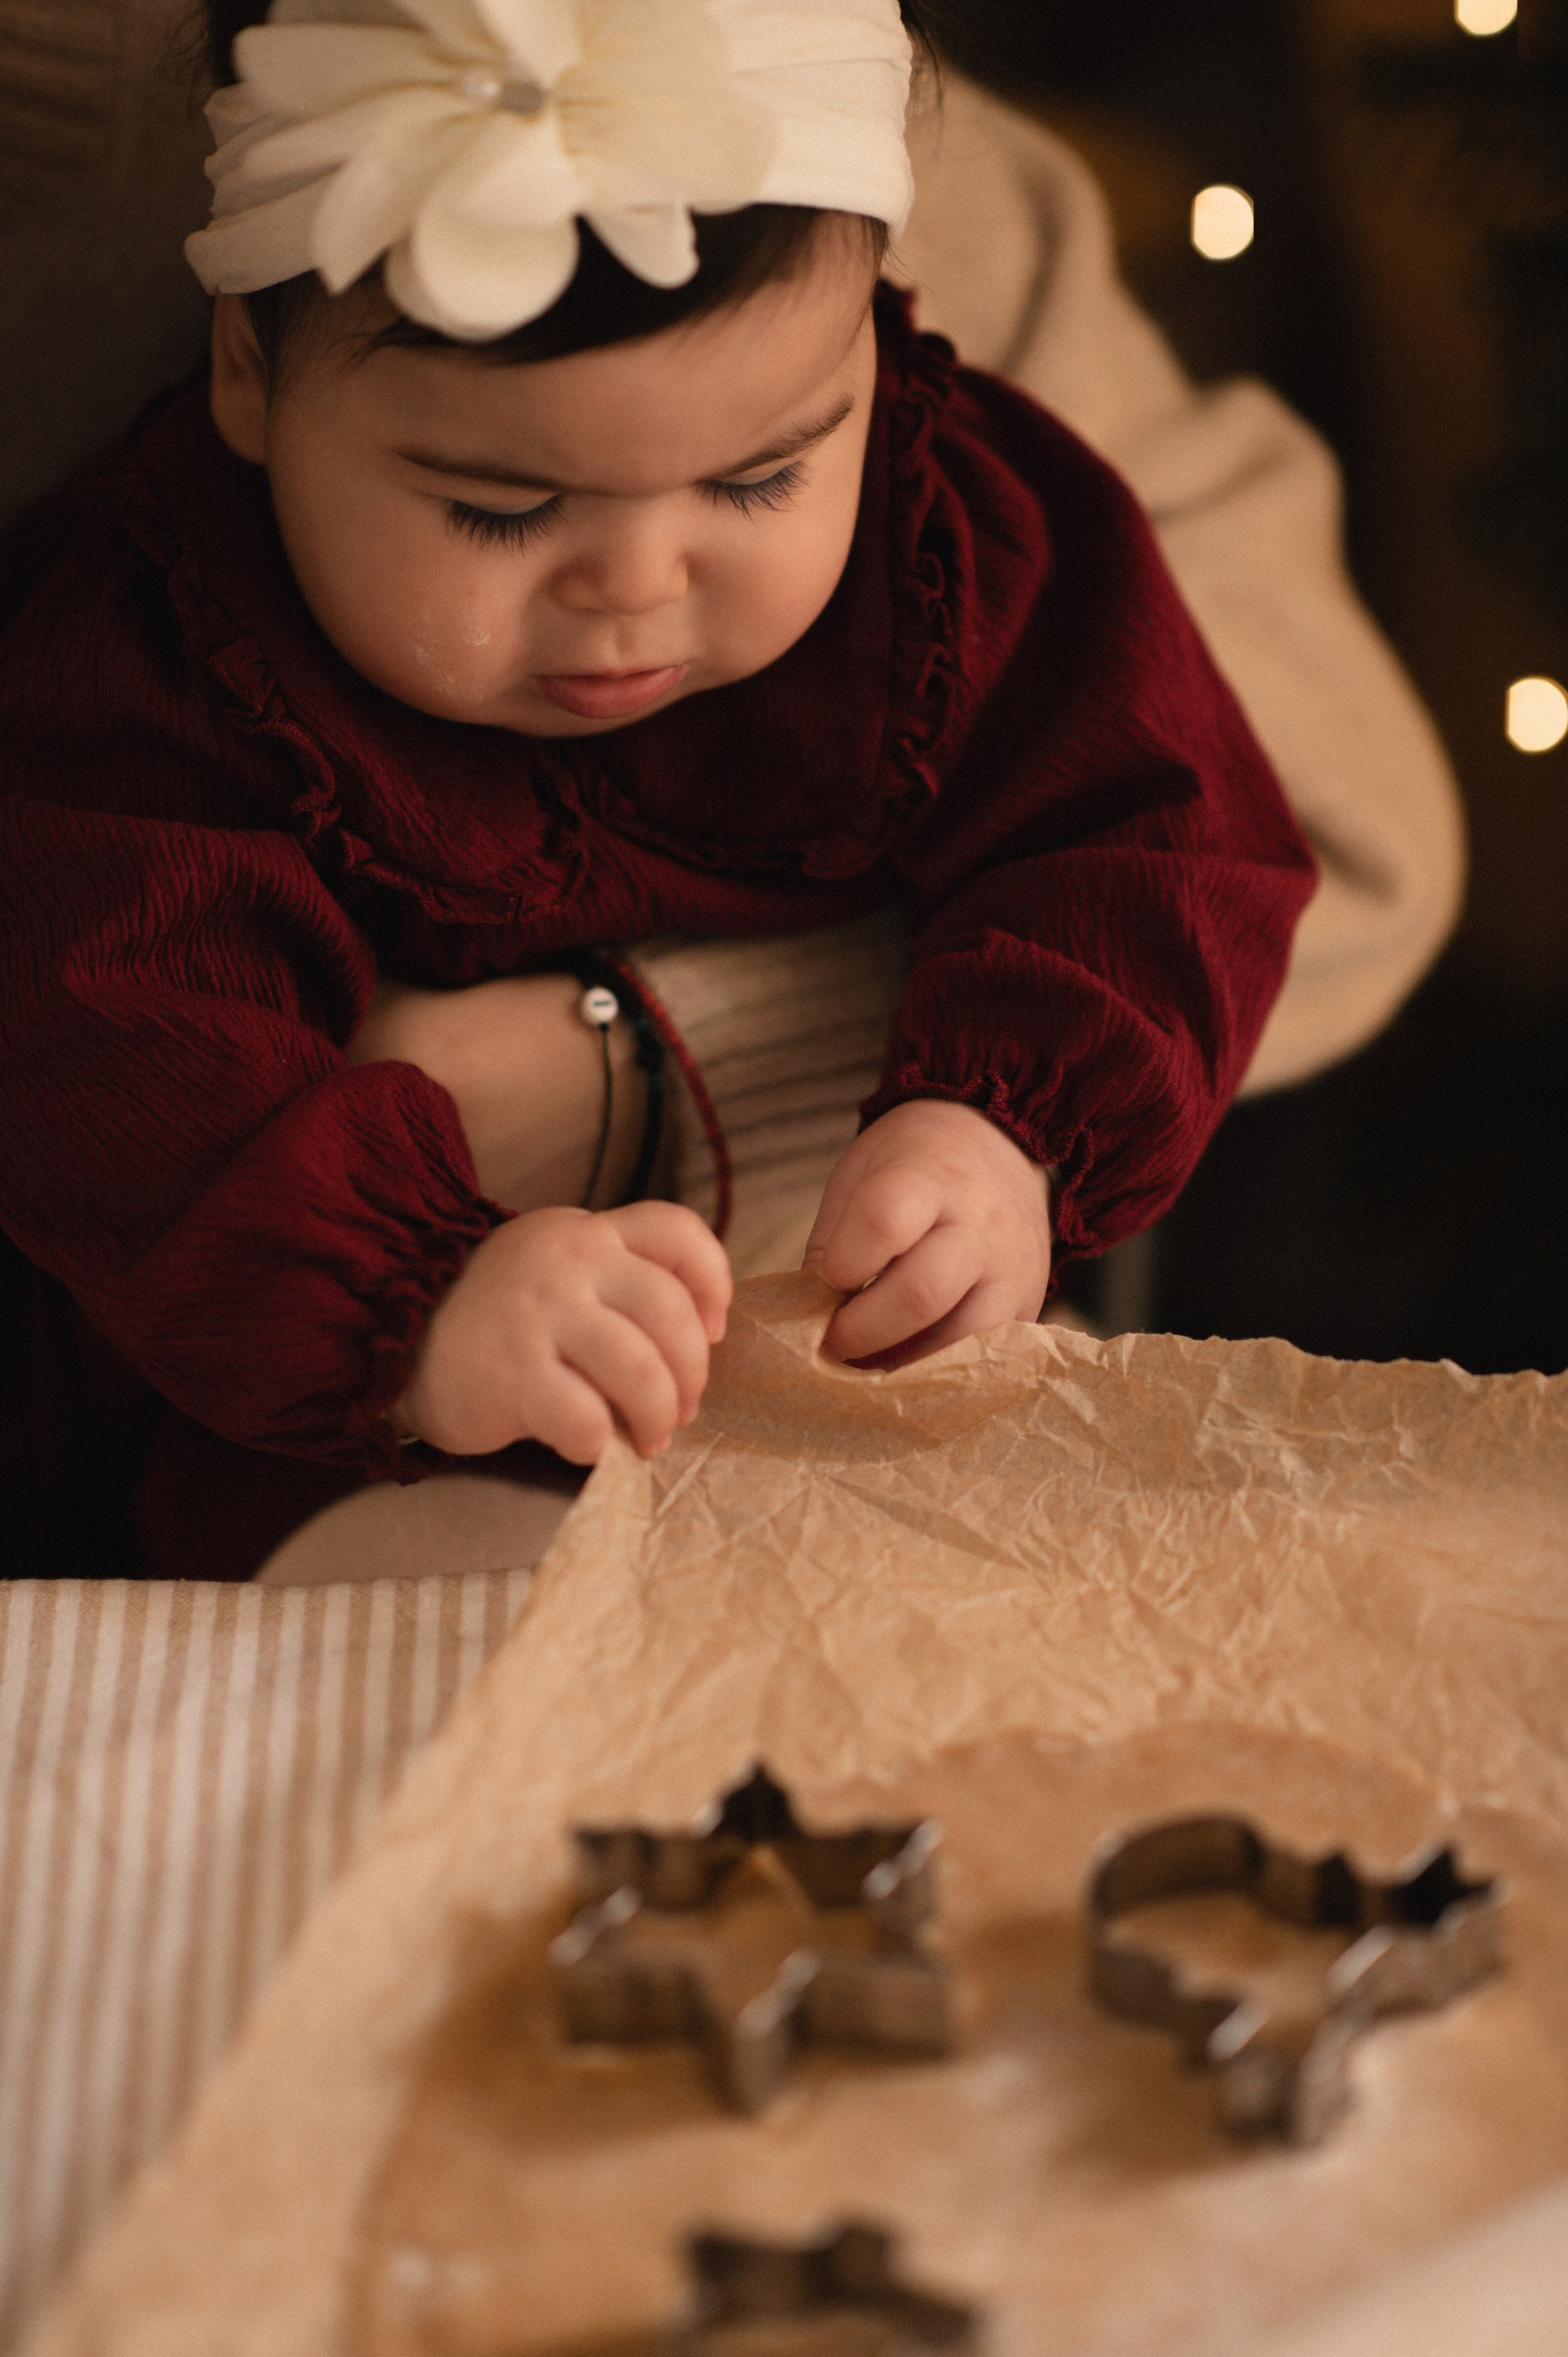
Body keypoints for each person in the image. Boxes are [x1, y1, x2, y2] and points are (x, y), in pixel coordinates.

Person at [0, 0, 1345, 1580]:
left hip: (851, 1379)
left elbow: (1162, 831)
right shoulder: (162, 664)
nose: (636, 590)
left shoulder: (956, 539)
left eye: (761, 478)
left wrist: (1006, 1129)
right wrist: (411, 1297)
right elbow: (110, 1046)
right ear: (252, 374)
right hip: (327, 1442)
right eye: (503, 507)